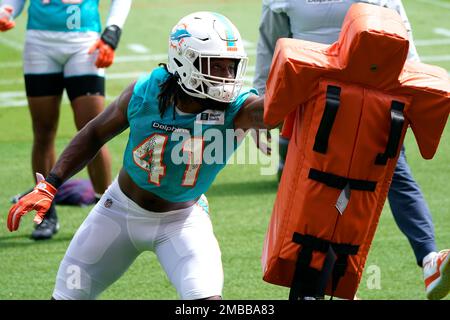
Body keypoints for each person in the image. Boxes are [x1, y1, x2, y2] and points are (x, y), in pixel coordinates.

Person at [7, 11, 272, 300]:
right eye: (215, 65)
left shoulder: (238, 107)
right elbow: (95, 132)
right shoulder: (148, 91)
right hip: (119, 210)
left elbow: (272, 113)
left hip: (182, 220)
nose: (226, 77)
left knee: (206, 300)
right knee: (66, 296)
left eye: (230, 67)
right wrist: (51, 183)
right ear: (184, 60)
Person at [253, 0, 450, 300]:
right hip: (334, 106)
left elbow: (403, 44)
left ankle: (424, 261)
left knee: (322, 191)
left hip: (350, 107)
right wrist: (263, 104)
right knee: (331, 192)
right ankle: (425, 260)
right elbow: (270, 45)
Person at [0, 0, 132, 240]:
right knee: (43, 131)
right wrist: (6, 9)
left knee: (95, 129)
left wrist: (113, 31)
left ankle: (106, 212)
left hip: (85, 42)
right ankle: (45, 211)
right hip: (40, 42)